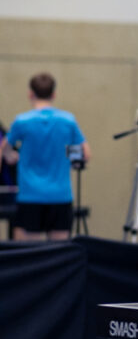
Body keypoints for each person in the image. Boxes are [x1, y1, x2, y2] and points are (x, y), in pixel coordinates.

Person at [0, 73, 90, 240]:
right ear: (54, 94)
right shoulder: (68, 120)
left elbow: (4, 148)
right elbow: (85, 154)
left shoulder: (22, 121)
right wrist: (63, 154)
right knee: (59, 252)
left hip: (30, 196)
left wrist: (10, 155)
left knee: (27, 253)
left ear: (30, 94)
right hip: (60, 196)